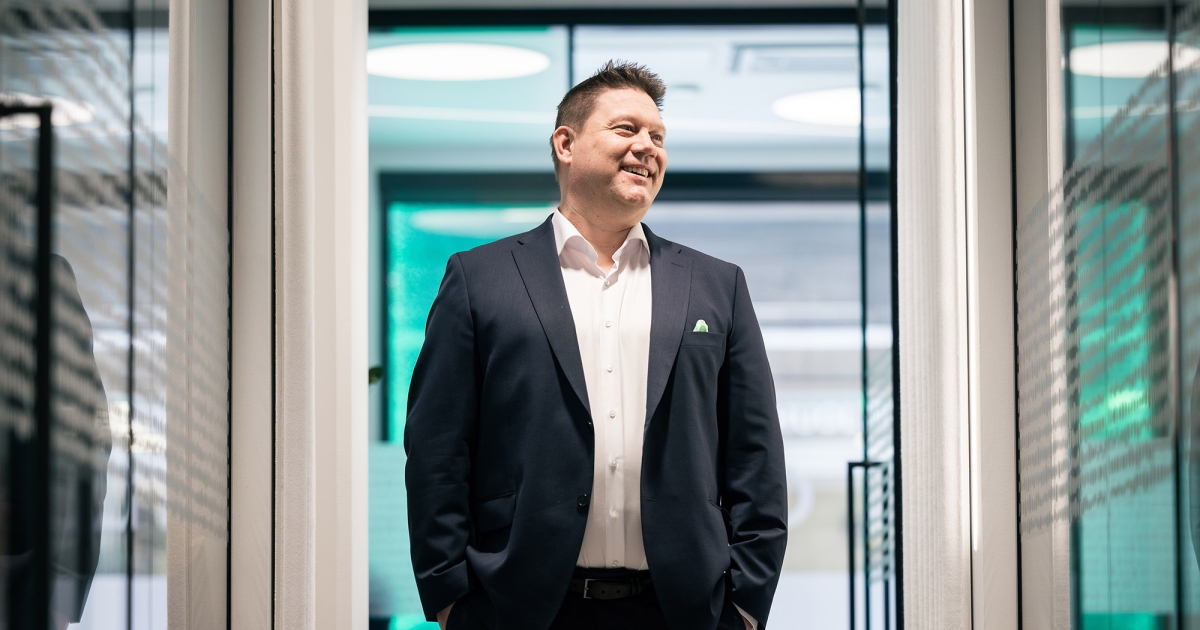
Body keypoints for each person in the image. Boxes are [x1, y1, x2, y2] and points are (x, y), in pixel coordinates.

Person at [405, 61, 787, 630]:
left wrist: (746, 602)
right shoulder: (479, 278)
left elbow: (755, 454)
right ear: (566, 143)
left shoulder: (717, 284)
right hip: (518, 607)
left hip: (684, 609)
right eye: (626, 129)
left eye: (658, 136)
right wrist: (449, 596)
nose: (647, 147)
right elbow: (437, 447)